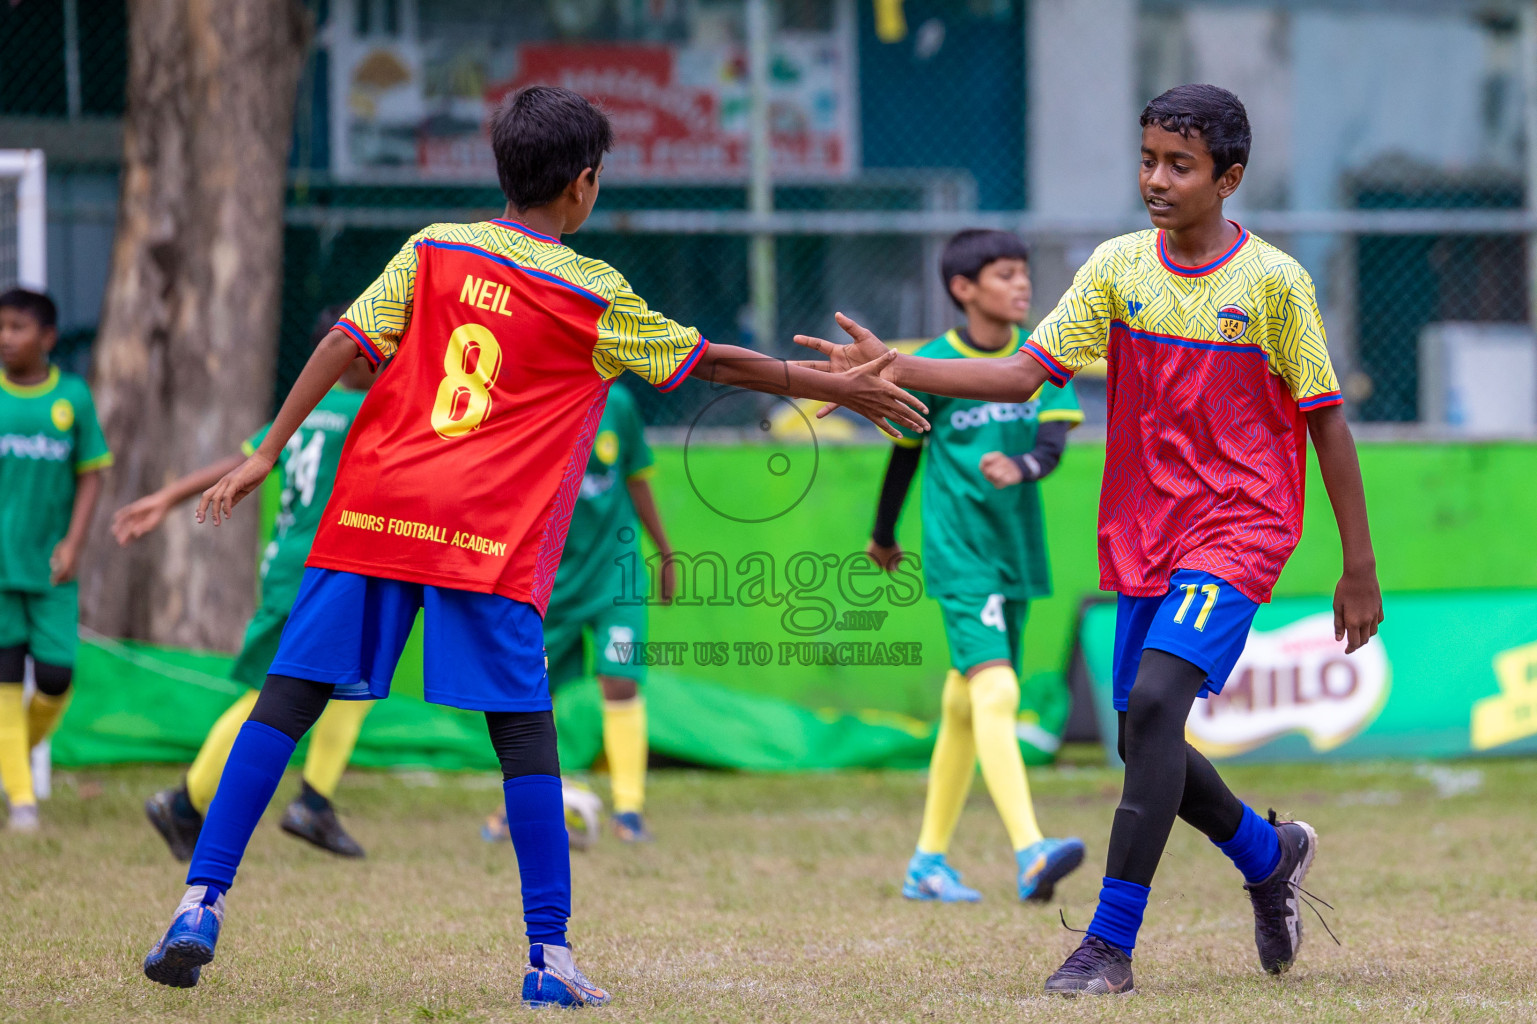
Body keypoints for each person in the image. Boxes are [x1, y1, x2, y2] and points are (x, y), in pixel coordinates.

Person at [139, 84, 928, 1007]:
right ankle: (547, 957)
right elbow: (706, 359)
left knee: (284, 704)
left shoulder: (431, 247)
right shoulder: (592, 290)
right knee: (523, 737)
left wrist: (265, 450)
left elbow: (343, 344)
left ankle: (200, 902)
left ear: (502, 170)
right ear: (584, 186)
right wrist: (836, 383)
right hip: (484, 537)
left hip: (374, 511)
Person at [796, 84, 1382, 996]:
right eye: (1146, 159)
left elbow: (1326, 423)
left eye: (1178, 165)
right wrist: (898, 367)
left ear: (1227, 178)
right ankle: (1270, 857)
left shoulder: (1273, 283)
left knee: (1152, 706)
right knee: (1140, 737)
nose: (1154, 178)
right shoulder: (1115, 268)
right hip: (1147, 527)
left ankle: (1107, 944)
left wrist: (1358, 564)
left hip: (1240, 524)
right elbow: (1024, 374)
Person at [866, 230, 1085, 904]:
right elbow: (905, 450)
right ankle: (1029, 851)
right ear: (963, 289)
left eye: (1024, 274)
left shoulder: (1040, 360)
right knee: (995, 692)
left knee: (965, 700)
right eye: (1004, 275)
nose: (1021, 286)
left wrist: (1019, 466)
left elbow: (1051, 444)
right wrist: (883, 532)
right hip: (960, 555)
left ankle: (926, 862)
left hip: (1015, 552)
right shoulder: (931, 363)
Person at [114, 307, 378, 860]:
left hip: (294, 564)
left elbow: (241, 460)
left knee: (351, 682)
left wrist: (167, 497)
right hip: (325, 566)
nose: (387, 355)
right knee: (276, 690)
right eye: (379, 345)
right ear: (353, 353)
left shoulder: (307, 409)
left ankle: (314, 801)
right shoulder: (365, 410)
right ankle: (186, 802)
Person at [483, 380, 673, 846]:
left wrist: (664, 552)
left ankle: (629, 810)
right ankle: (523, 802)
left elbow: (637, 477)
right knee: (530, 689)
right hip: (552, 577)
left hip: (615, 573)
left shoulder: (620, 404)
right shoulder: (536, 396)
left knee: (621, 679)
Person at [0, 288, 111, 833]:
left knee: (54, 678)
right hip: (1, 569)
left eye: (18, 327)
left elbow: (91, 474)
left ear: (46, 337)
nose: (6, 337)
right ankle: (22, 801)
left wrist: (74, 542)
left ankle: (9, 757)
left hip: (52, 568)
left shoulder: (73, 397)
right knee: (3, 677)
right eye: (1, 326)